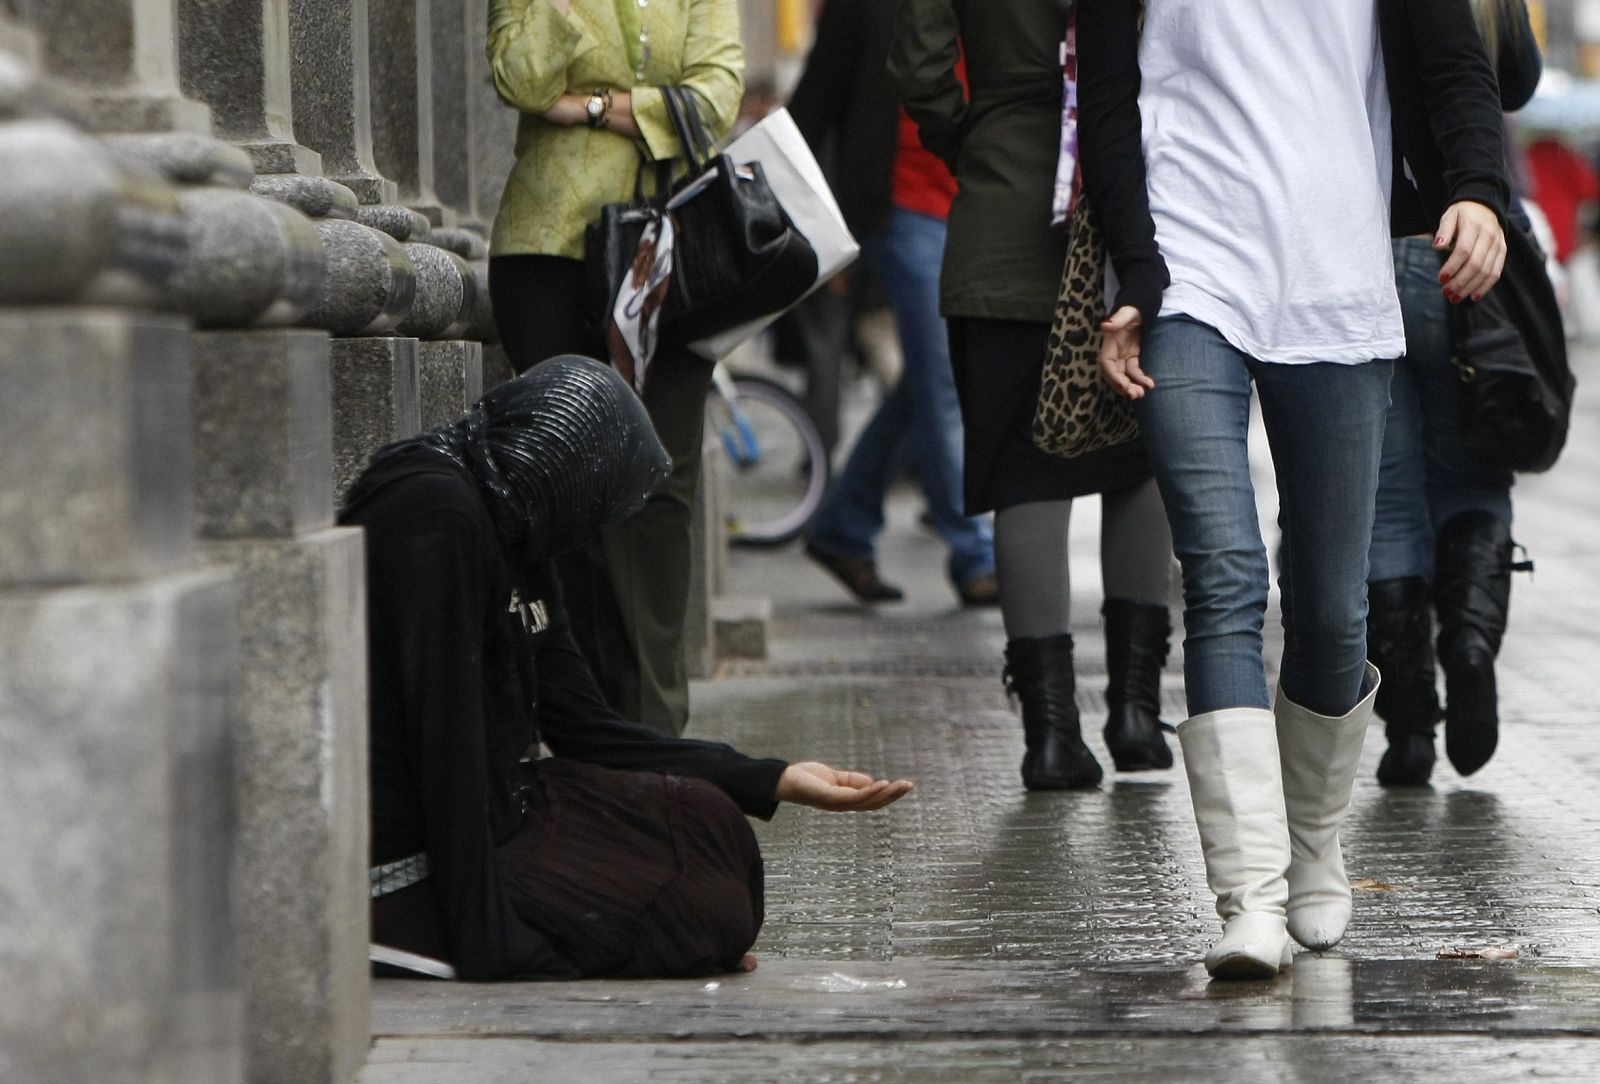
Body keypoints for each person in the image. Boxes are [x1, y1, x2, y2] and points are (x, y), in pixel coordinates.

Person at [1078, 0, 1509, 978]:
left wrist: (1479, 192)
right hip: (1189, 275)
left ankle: (1312, 840)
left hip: (1334, 272)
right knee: (1222, 573)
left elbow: (1455, 64)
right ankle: (1250, 898)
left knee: (1330, 605)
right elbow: (1106, 100)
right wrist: (1135, 273)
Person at [342, 356, 914, 981]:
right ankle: (403, 933)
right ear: (563, 477)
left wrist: (771, 777)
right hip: (412, 857)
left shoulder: (516, 513)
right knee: (696, 912)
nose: (594, 533)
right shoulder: (436, 517)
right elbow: (444, 751)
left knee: (708, 824)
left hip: (501, 804)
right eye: (596, 510)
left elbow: (586, 727)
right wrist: (492, 945)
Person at [890, 0, 1178, 789]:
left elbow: (919, 64)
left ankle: (1051, 736)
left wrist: (980, 135)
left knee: (1025, 475)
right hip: (1133, 209)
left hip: (1005, 210)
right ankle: (1137, 712)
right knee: (1141, 453)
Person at [485, 0, 744, 735]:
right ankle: (584, 734)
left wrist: (588, 106)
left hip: (670, 258)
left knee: (660, 493)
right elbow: (520, 79)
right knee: (570, 495)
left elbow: (713, 99)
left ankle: (655, 736)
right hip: (551, 254)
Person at [1368, 0, 1543, 787]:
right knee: (1472, 474)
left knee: (1388, 498)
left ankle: (1409, 727)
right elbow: (1517, 83)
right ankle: (1469, 648)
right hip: (1465, 244)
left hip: (1367, 243)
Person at [789, 0, 999, 609]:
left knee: (930, 383)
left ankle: (842, 528)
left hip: (979, 204)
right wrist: (814, 231)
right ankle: (976, 555)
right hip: (902, 210)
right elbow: (813, 106)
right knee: (946, 380)